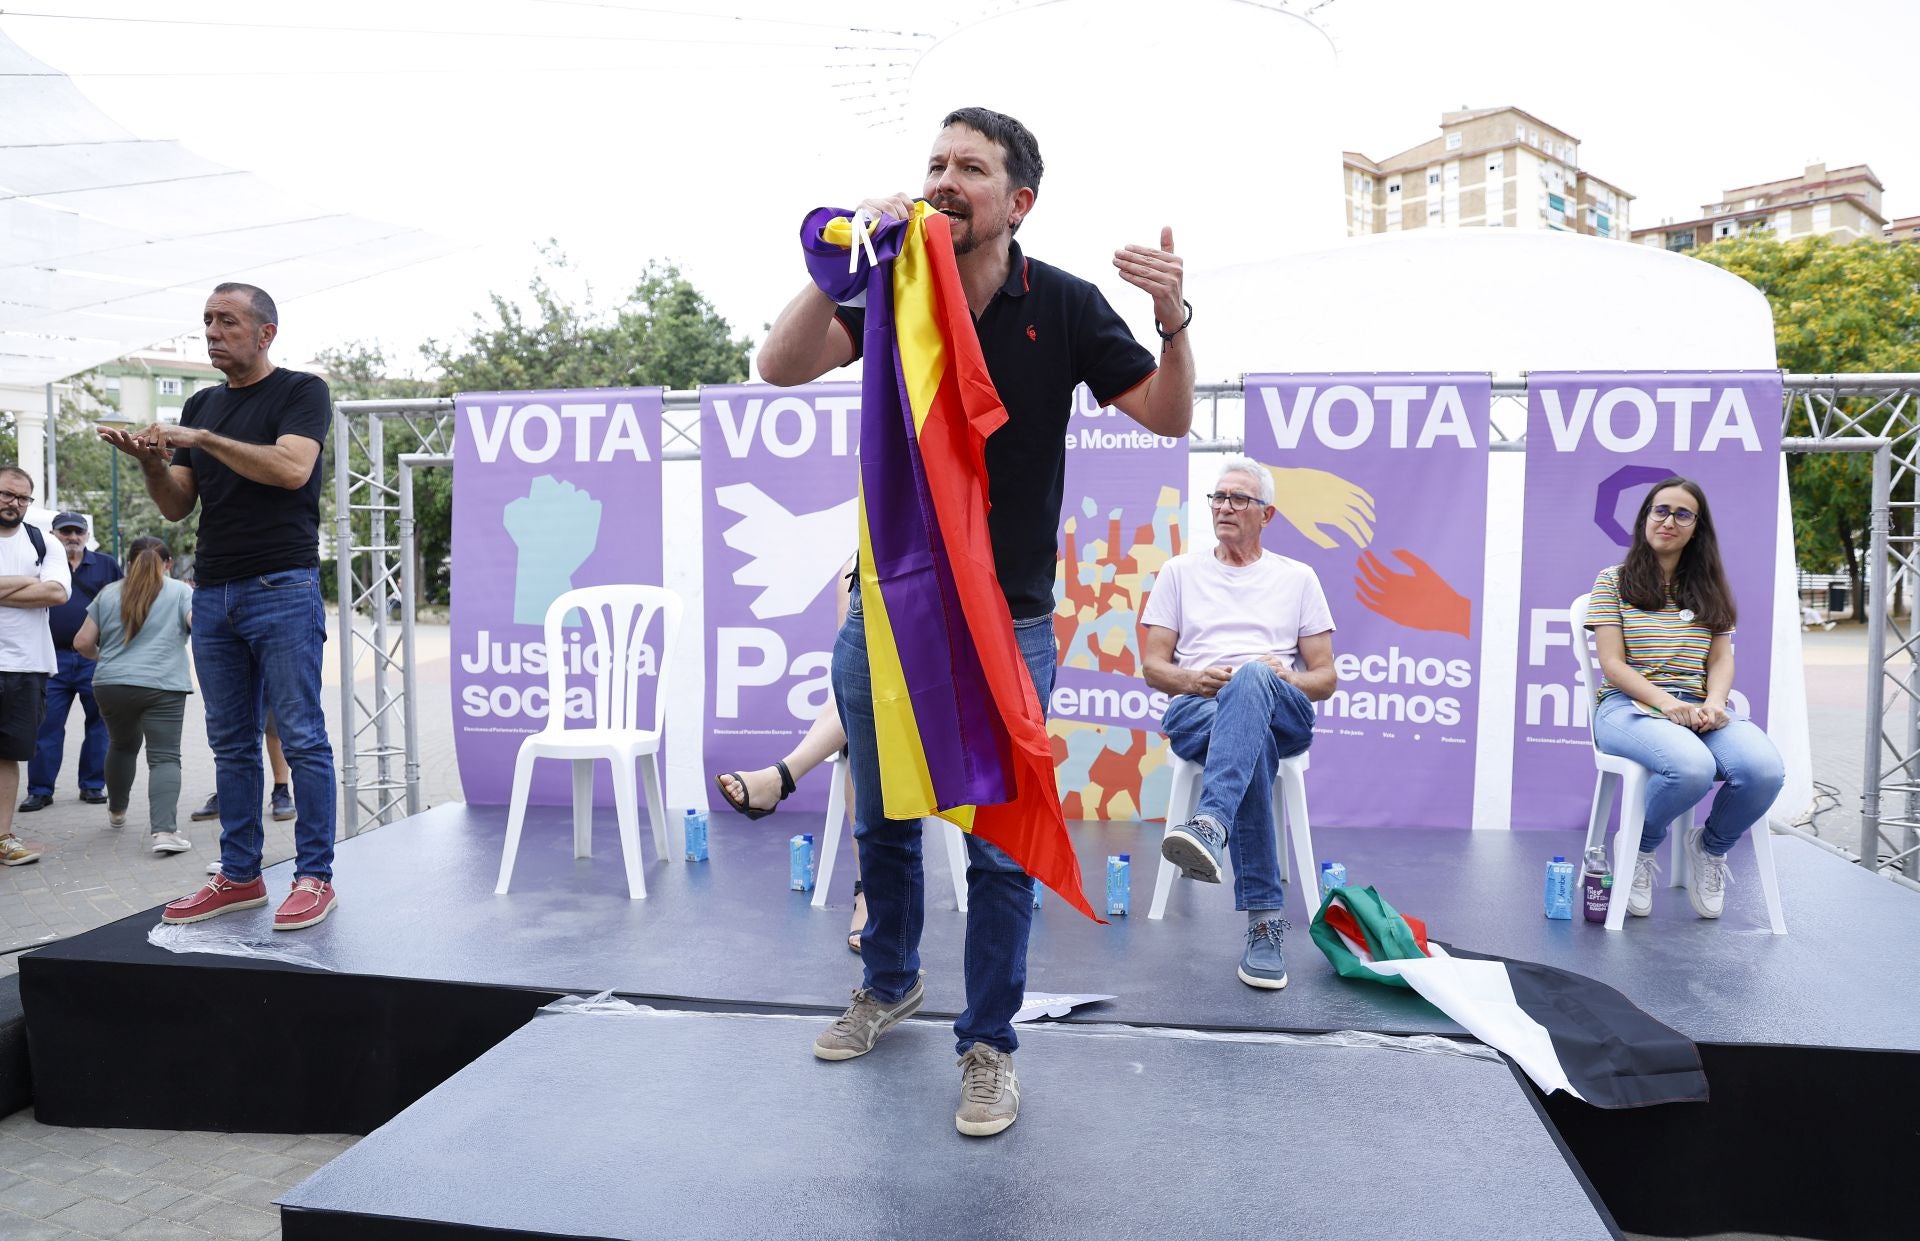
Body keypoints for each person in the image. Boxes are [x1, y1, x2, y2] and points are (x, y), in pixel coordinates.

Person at [759, 106, 1194, 1137]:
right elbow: (777, 364)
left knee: (1000, 844)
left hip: (1009, 625)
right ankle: (890, 980)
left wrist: (1175, 320)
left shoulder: (1069, 305)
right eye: (935, 164)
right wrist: (841, 254)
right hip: (891, 614)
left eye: (972, 169)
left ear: (1018, 201)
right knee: (884, 818)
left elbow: (1168, 415)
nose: (945, 181)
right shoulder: (896, 282)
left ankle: (989, 1042)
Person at [100, 282, 339, 930]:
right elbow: (178, 503)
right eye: (207, 320)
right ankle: (239, 877)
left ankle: (315, 875)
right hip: (214, 594)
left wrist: (201, 437)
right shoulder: (203, 401)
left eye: (227, 321)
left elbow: (291, 468)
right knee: (231, 744)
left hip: (282, 587)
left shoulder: (300, 391)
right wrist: (154, 461)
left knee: (301, 735)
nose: (212, 331)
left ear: (265, 333)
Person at [1142, 457, 1338, 989]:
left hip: (1282, 705)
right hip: (1198, 707)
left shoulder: (1298, 578)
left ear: (1267, 514)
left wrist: (1283, 678)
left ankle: (1210, 824)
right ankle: (1264, 924)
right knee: (1252, 743)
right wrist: (1193, 679)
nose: (1224, 507)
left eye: (1238, 499)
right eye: (1218, 497)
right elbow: (1153, 667)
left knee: (1252, 680)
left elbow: (1325, 677)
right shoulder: (1180, 573)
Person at [1585, 478, 1785, 920]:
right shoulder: (1612, 581)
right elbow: (1613, 665)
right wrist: (1665, 704)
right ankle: (1638, 845)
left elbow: (1721, 660)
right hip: (1627, 707)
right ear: (1644, 519)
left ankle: (1710, 849)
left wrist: (1715, 702)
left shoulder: (1710, 586)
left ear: (1697, 527)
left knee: (1764, 771)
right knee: (1691, 769)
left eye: (1682, 514)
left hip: (1698, 708)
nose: (1669, 521)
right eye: (1660, 510)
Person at [73, 537, 194, 853]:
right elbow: (198, 624)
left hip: (111, 683)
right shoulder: (180, 591)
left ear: (128, 562)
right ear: (167, 563)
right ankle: (165, 833)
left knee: (122, 746)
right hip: (163, 683)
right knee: (165, 756)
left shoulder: (109, 593)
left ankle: (117, 811)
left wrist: (106, 659)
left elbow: (82, 642)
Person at [19, 512, 120, 813]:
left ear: (87, 535)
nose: (72, 538)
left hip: (95, 657)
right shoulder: (42, 565)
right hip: (52, 657)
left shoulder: (105, 565)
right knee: (46, 726)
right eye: (66, 533)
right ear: (53, 534)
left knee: (99, 725)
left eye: (78, 532)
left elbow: (120, 605)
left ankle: (92, 785)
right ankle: (40, 790)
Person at [0, 467, 73, 867]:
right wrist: (25, 584)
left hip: (25, 664)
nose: (14, 504)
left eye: (23, 498)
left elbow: (57, 592)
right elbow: (39, 589)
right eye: (7, 494)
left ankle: (3, 837)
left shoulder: (43, 543)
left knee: (8, 754)